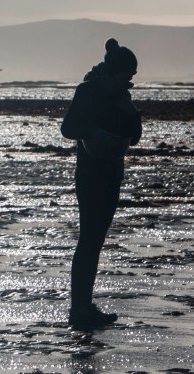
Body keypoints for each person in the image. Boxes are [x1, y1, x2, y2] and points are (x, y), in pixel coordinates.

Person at [60, 38, 142, 329]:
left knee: (95, 242)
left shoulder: (122, 96)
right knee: (88, 241)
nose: (130, 80)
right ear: (115, 71)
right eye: (128, 75)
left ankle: (84, 306)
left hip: (111, 173)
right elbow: (68, 128)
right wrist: (94, 132)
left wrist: (130, 111)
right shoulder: (88, 91)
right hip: (90, 174)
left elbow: (134, 136)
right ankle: (79, 309)